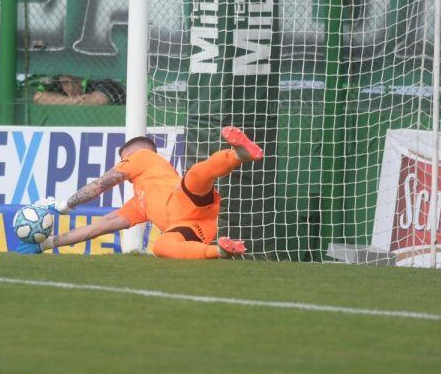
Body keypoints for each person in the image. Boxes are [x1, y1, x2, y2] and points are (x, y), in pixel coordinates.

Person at [17, 126, 264, 259]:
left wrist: (63, 206)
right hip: (195, 229)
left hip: (186, 198)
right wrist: (45, 245)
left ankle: (239, 154)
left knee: (196, 175)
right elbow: (98, 227)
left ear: (132, 155)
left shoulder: (143, 156)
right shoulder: (139, 203)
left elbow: (101, 184)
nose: (122, 164)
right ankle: (219, 250)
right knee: (162, 247)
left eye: (124, 159)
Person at [32, 75, 125, 106]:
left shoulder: (104, 82)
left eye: (74, 81)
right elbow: (38, 97)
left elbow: (99, 100)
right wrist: (74, 101)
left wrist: (59, 100)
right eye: (65, 83)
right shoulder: (58, 83)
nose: (69, 88)